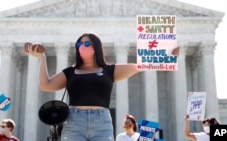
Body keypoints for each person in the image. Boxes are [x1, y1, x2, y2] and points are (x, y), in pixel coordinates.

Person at [25, 32, 180, 141]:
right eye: (79, 43)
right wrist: (41, 58)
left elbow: (140, 66)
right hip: (74, 122)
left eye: (87, 43)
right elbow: (46, 85)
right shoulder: (71, 71)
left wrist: (168, 55)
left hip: (102, 123)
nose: (82, 46)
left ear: (96, 47)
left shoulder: (109, 70)